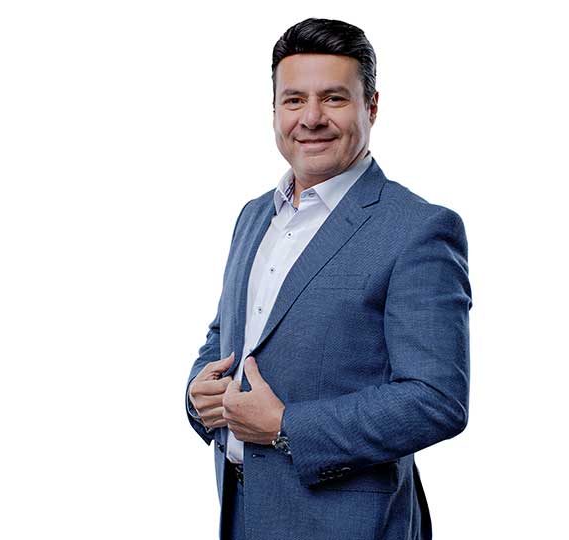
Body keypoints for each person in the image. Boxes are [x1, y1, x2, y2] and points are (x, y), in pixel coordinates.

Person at [185, 17, 471, 540]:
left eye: (333, 99)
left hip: (347, 525)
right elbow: (227, 333)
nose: (311, 118)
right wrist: (197, 392)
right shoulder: (254, 216)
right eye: (294, 100)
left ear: (372, 107)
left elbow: (437, 399)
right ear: (275, 109)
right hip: (240, 514)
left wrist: (286, 427)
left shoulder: (418, 229)